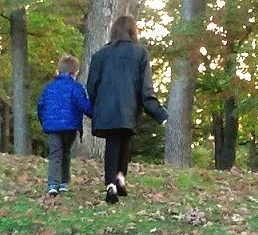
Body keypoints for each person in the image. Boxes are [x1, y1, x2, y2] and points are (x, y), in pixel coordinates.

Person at [86, 15, 168, 204]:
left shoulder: (100, 55)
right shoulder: (140, 53)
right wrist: (159, 112)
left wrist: (96, 107)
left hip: (106, 108)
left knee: (113, 144)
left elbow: (91, 87)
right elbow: (145, 88)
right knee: (124, 141)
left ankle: (113, 185)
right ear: (133, 31)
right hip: (129, 108)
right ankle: (118, 181)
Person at [36, 54, 93, 197]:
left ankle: (52, 184)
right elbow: (83, 105)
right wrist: (95, 112)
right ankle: (64, 182)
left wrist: (44, 121)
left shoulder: (49, 88)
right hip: (70, 126)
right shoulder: (76, 87)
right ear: (76, 73)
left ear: (58, 71)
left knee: (55, 154)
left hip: (52, 127)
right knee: (66, 152)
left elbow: (41, 105)